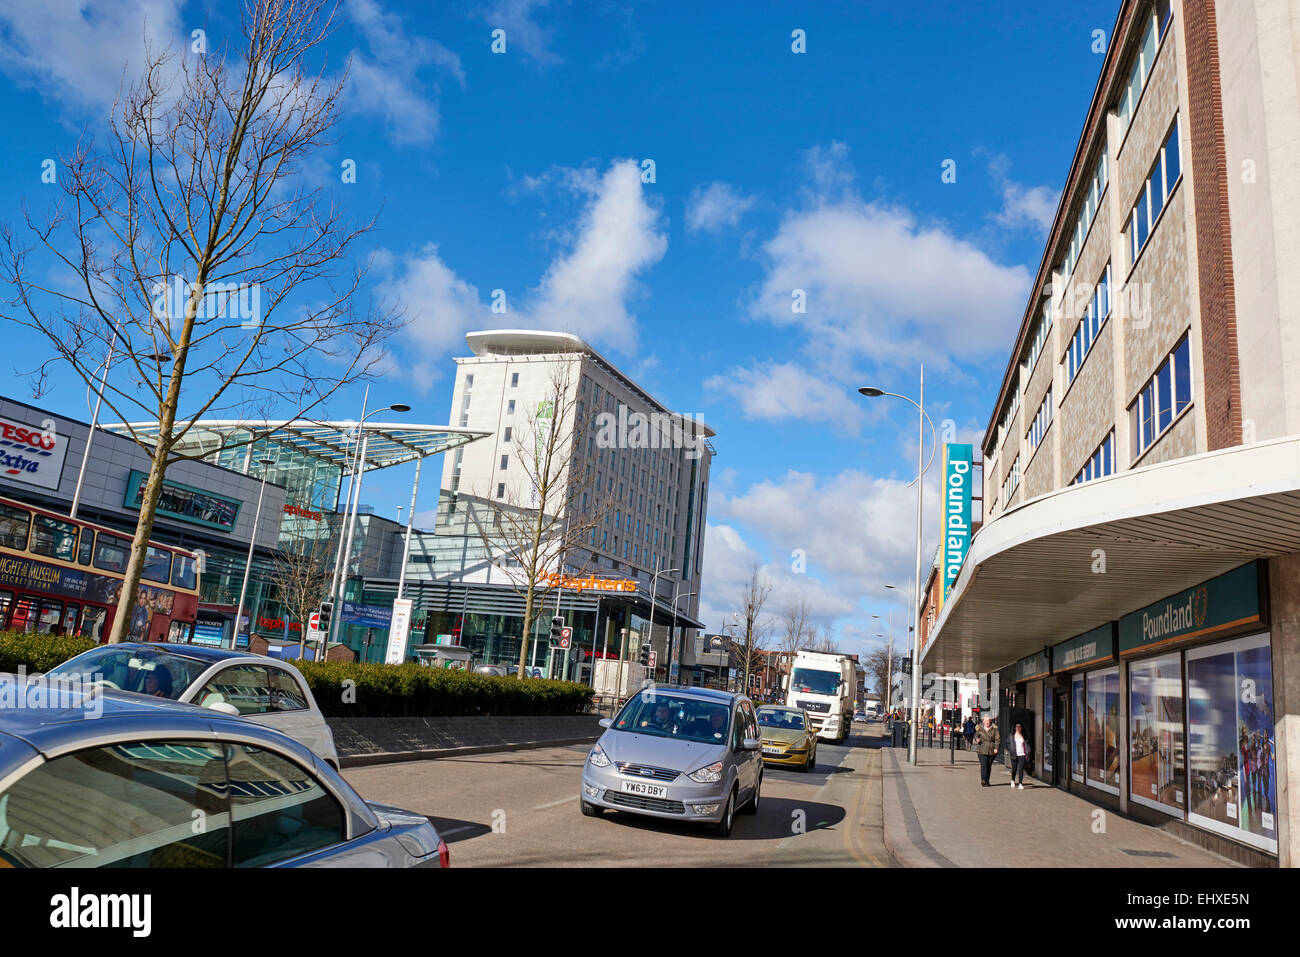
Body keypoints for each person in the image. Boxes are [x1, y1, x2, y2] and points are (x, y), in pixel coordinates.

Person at [974, 715, 999, 788]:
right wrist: (977, 739)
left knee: (988, 765)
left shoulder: (994, 729)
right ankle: (983, 780)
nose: (987, 722)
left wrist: (996, 748)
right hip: (981, 749)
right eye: (985, 721)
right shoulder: (980, 729)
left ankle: (987, 780)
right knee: (984, 764)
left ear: (990, 721)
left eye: (988, 721)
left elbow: (997, 739)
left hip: (991, 750)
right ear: (983, 722)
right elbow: (975, 735)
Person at [1010, 722, 1030, 789]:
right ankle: (1013, 780)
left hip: (1022, 754)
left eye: (1019, 726)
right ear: (1015, 728)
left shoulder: (1024, 735)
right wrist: (1011, 749)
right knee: (1014, 769)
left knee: (1021, 769)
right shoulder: (1011, 735)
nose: (1018, 728)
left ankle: (1020, 783)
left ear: (1021, 728)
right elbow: (1007, 743)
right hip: (1014, 755)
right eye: (1017, 726)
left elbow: (1027, 744)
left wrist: (1027, 751)